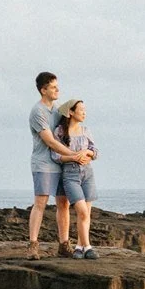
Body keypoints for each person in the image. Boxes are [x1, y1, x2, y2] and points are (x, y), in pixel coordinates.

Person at [27, 72, 80, 255]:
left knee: (63, 203)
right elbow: (49, 141)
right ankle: (33, 245)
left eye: (58, 86)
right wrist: (74, 155)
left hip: (60, 163)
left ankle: (64, 244)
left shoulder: (57, 110)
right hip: (43, 164)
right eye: (53, 87)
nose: (58, 90)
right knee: (40, 202)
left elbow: (72, 123)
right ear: (43, 90)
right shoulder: (37, 112)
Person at [57, 98, 99, 258]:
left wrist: (87, 153)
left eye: (84, 109)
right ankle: (88, 247)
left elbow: (95, 151)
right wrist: (75, 157)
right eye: (81, 109)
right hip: (70, 174)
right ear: (71, 112)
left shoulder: (86, 130)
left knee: (87, 213)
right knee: (81, 211)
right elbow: (56, 155)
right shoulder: (60, 131)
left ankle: (79, 247)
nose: (84, 112)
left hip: (87, 173)